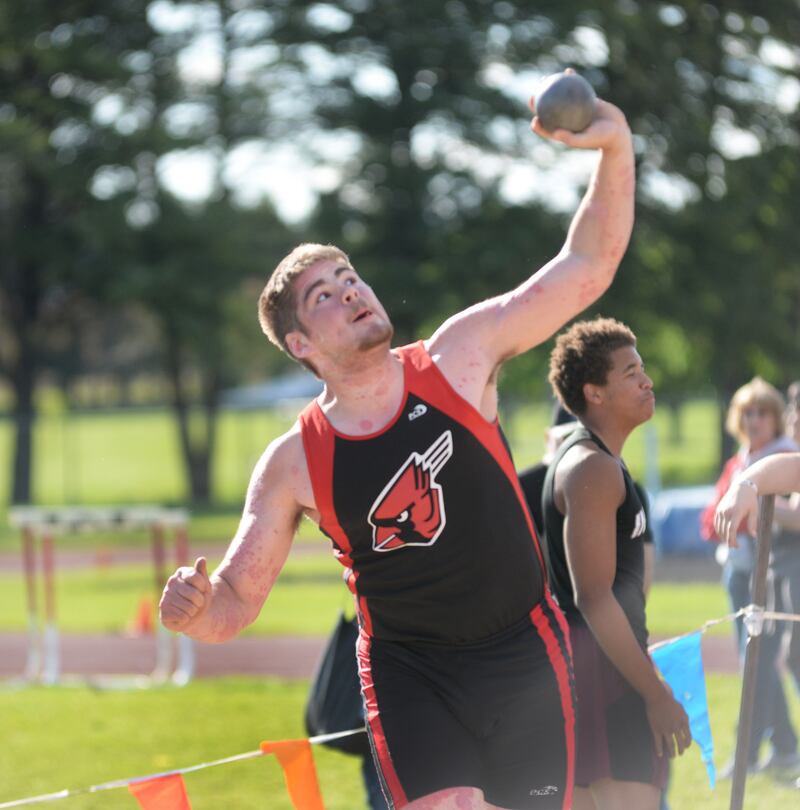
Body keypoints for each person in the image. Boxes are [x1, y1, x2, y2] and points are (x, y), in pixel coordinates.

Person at [159, 82, 636, 810]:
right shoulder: (295, 462)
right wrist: (193, 610)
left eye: (349, 277)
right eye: (324, 295)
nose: (350, 292)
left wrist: (614, 147)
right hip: (410, 672)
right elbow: (232, 604)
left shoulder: (458, 359)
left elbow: (586, 267)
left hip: (523, 652)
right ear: (300, 345)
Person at [540, 317, 691, 810]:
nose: (646, 380)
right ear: (595, 393)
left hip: (589, 670)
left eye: (641, 368)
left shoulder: (597, 462)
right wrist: (655, 693)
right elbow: (594, 598)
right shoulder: (593, 468)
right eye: (629, 372)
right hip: (601, 677)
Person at [699, 377, 800, 778]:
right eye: (748, 412)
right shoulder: (743, 460)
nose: (756, 419)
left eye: (764, 412)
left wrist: (757, 496)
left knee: (765, 661)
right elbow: (712, 519)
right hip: (749, 572)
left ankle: (770, 749)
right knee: (764, 661)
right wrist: (748, 488)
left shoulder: (780, 454)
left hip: (778, 570)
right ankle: (773, 748)